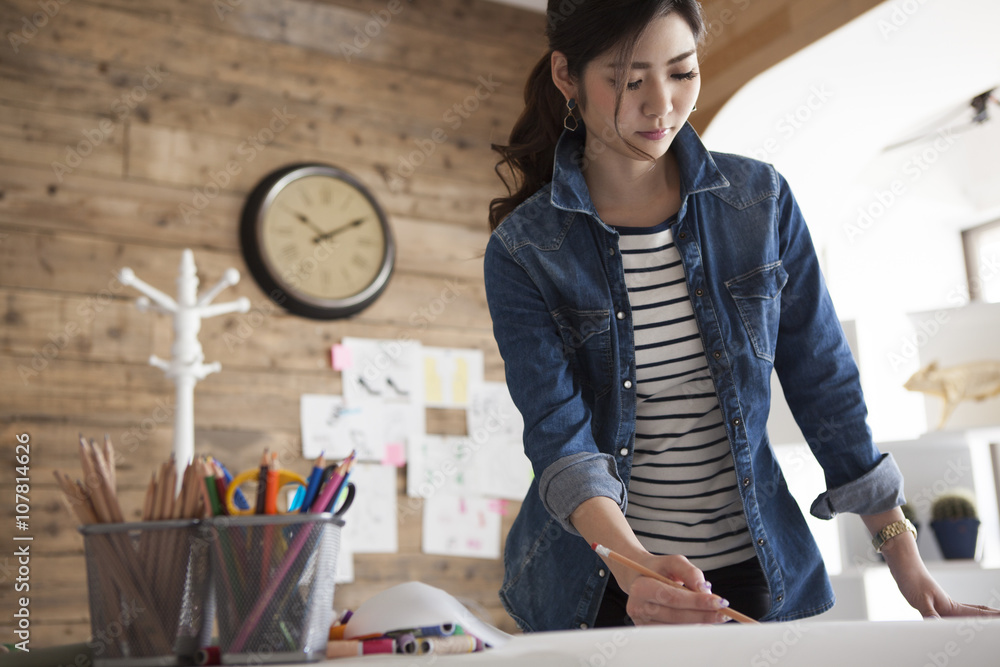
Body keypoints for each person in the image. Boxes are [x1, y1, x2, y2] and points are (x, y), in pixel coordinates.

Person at [483, 0, 999, 631]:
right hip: (602, 584)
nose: (661, 104)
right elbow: (560, 438)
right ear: (567, 76)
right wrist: (635, 566)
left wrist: (906, 560)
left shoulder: (761, 203)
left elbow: (826, 386)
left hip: (753, 576)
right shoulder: (525, 250)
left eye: (681, 73)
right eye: (628, 80)